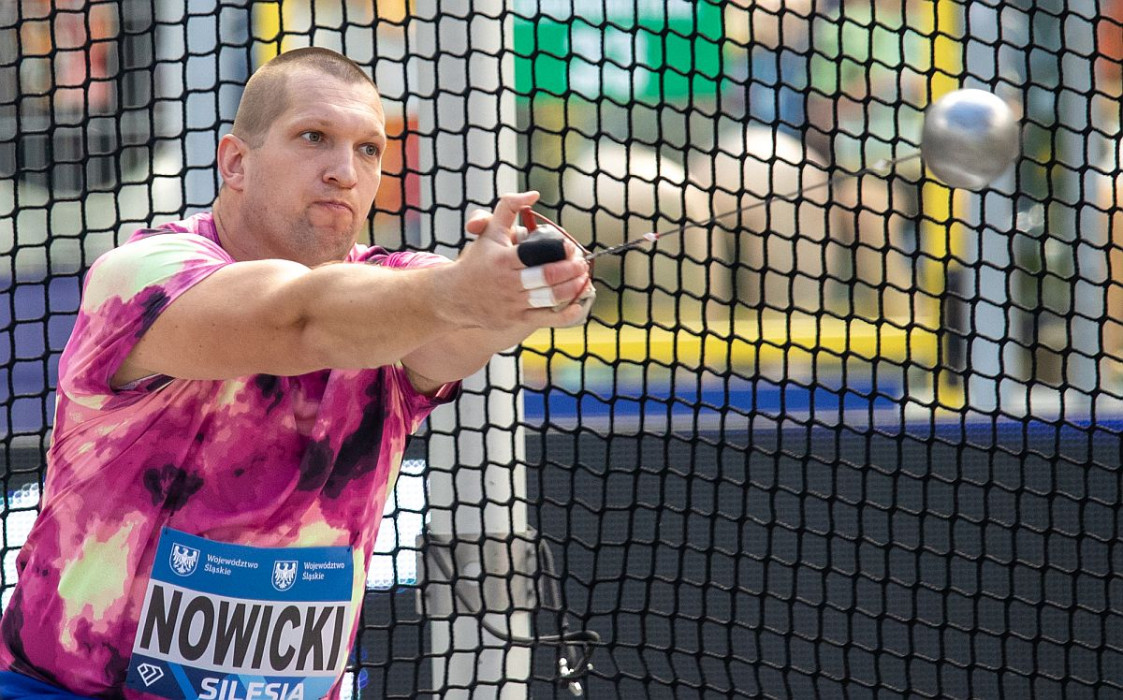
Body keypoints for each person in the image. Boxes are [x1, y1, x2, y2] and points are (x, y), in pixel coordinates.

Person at [0, 47, 592, 699]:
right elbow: (298, 321)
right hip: (70, 689)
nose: (344, 171)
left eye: (368, 149)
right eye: (314, 137)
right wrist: (459, 293)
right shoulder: (144, 275)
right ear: (235, 163)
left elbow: (461, 332)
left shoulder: (397, 291)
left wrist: (533, 291)